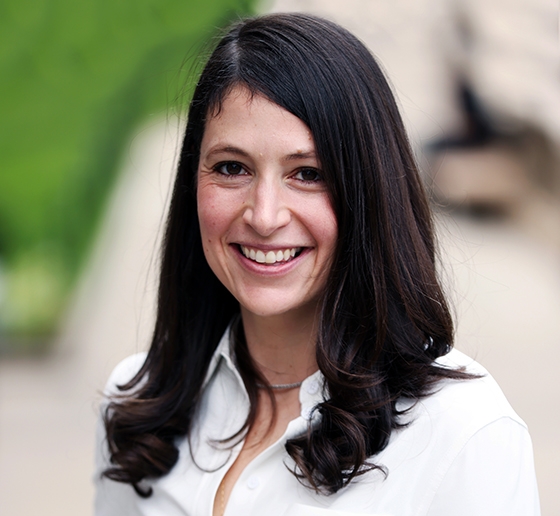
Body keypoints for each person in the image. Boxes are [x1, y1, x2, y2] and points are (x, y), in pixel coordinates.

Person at [94, 13, 540, 516]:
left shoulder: (465, 436)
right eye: (231, 168)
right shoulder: (138, 411)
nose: (264, 216)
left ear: (369, 191)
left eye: (307, 173)